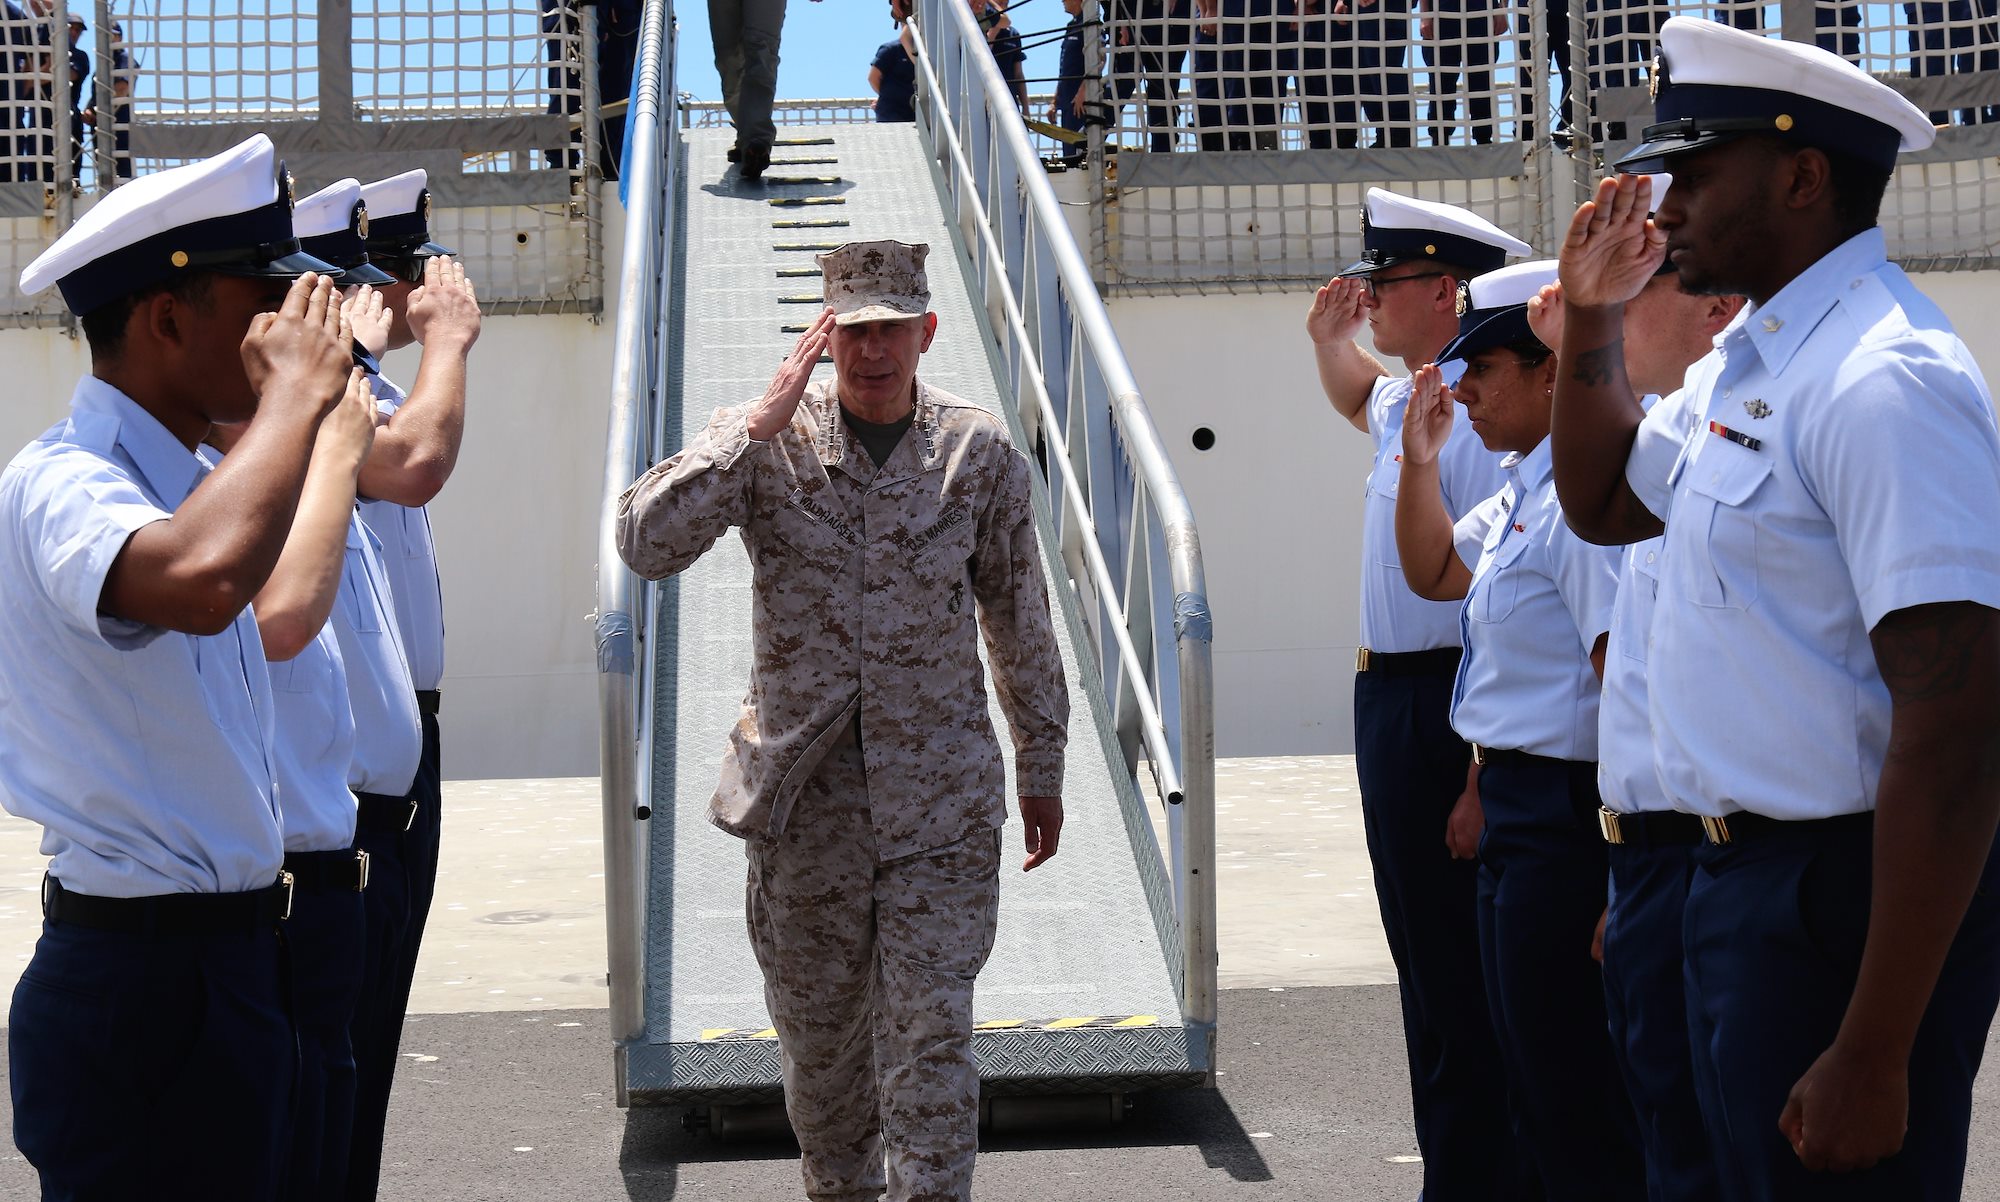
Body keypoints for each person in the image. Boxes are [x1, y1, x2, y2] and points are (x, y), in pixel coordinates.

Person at [1549, 16, 2000, 1199]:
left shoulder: (1880, 378)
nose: (1664, 203)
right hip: (1728, 890)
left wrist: (1874, 1046)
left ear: (1801, 178)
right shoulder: (1741, 370)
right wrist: (1590, 315)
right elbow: (1599, 501)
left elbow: (1956, 737)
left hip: (1837, 905)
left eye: (1695, 174)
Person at [616, 240, 1069, 1202]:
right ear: (823, 337)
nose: (871, 352)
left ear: (925, 332)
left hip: (939, 810)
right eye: (852, 332)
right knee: (823, 1062)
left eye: (890, 330)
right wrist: (751, 426)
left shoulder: (977, 453)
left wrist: (1043, 760)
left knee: (930, 1038)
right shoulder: (766, 443)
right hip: (805, 812)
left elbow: (1018, 614)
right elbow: (645, 544)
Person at [1, 132, 352, 1198]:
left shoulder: (195, 473)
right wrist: (296, 404)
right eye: (265, 310)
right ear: (165, 318)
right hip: (140, 987)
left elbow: (264, 586)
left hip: (226, 968)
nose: (286, 340)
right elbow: (201, 582)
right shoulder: (63, 480)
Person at [1393, 259, 1645, 1202]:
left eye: (1484, 369)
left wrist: (1630, 873)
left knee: (1573, 1095)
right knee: (1534, 1086)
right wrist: (1422, 460)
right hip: (1518, 807)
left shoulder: (1576, 511)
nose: (1462, 388)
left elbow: (1620, 689)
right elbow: (1430, 569)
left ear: (1552, 372)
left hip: (1570, 820)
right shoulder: (1524, 492)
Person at [1303, 190, 1529, 1202]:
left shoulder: (1476, 418)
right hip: (1391, 702)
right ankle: (1459, 1168)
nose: (1365, 298)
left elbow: (1499, 607)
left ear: (1444, 291)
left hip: (1448, 704)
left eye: (1381, 283)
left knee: (1461, 978)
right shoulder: (1413, 396)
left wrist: (1480, 768)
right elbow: (1355, 397)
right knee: (1427, 971)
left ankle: (1476, 1176)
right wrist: (1327, 339)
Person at [1524, 191, 1746, 1202]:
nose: (1612, 302)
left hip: (1735, 860)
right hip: (1662, 857)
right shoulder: (1677, 428)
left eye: (1639, 278)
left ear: (1714, 303)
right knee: (1672, 1150)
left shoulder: (1758, 413)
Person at [346, 167, 483, 1202]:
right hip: (347, 783)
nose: (412, 292)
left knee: (367, 1040)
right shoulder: (338, 407)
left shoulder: (378, 397)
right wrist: (448, 344)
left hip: (404, 747)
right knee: (335, 1050)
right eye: (401, 271)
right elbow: (419, 465)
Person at [1417, 0, 1503, 145]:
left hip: (1481, 13)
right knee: (1441, 82)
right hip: (1442, 14)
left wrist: (1502, 10)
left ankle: (1483, 138)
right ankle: (1440, 139)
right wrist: (1425, 15)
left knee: (1481, 81)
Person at [1111, 0, 1190, 153]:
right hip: (1135, 17)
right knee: (1122, 80)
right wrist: (1119, 21)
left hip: (1173, 20)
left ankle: (1163, 151)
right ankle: (1093, 132)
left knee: (1164, 90)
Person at [1052, 0, 1092, 164]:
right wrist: (1055, 101)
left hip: (1080, 103)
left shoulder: (1089, 24)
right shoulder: (1071, 25)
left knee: (1079, 155)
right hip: (1067, 101)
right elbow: (1064, 68)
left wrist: (1083, 91)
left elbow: (1099, 60)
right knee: (1069, 154)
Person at [869, 0, 918, 123]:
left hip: (917, 112)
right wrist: (888, 96)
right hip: (892, 114)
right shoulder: (891, 49)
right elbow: (873, 77)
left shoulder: (929, 49)